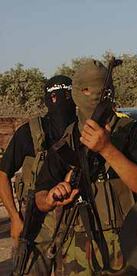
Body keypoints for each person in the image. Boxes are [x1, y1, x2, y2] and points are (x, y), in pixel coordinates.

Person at [34, 59, 137, 275]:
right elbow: (40, 196)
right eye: (85, 89)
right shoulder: (65, 143)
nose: (93, 95)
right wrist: (50, 198)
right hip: (75, 249)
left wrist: (107, 150)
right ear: (76, 93)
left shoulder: (131, 134)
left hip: (129, 243)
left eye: (100, 90)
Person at [0, 75, 76, 275]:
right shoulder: (30, 132)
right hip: (35, 222)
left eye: (65, 96)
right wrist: (15, 218)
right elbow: (2, 174)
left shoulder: (83, 130)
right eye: (53, 98)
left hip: (74, 220)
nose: (58, 103)